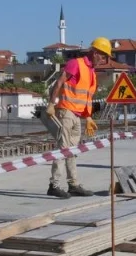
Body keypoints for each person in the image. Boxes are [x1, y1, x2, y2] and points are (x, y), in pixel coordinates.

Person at [42, 37, 111, 198]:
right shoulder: (76, 63)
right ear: (94, 53)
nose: (104, 60)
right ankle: (54, 184)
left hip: (77, 116)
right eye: (103, 56)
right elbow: (59, 83)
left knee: (72, 151)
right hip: (66, 112)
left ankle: (73, 184)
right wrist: (52, 104)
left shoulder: (91, 72)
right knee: (63, 149)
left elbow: (86, 97)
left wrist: (88, 117)